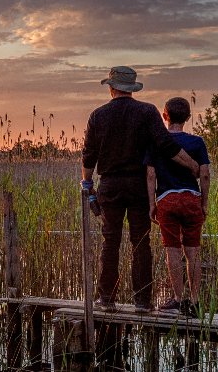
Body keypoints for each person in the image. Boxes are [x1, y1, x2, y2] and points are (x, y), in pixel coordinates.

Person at [81, 66, 198, 313]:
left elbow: (88, 156)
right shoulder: (147, 112)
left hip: (110, 185)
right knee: (140, 243)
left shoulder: (97, 116)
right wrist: (192, 165)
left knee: (110, 242)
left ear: (111, 88)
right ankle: (142, 302)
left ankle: (107, 299)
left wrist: (88, 186)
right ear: (131, 89)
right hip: (138, 186)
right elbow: (165, 145)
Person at [146, 97, 211, 318]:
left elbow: (151, 174)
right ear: (188, 118)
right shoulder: (197, 142)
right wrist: (204, 202)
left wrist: (151, 204)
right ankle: (194, 302)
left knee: (172, 251)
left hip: (167, 199)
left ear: (165, 115)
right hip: (191, 199)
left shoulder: (156, 142)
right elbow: (204, 174)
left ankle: (178, 299)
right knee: (192, 251)